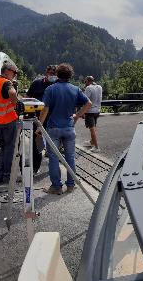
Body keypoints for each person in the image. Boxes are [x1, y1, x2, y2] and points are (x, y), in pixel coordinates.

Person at [39, 63, 91, 194]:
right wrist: (77, 115)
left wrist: (39, 126)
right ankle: (71, 185)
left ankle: (56, 187)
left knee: (54, 158)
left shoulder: (50, 89)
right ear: (70, 75)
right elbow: (88, 104)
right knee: (70, 157)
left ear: (57, 74)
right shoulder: (75, 89)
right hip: (69, 128)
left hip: (53, 128)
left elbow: (45, 109)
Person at [26, 65, 57, 173]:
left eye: (54, 73)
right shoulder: (36, 83)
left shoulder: (57, 85)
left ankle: (53, 168)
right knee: (36, 144)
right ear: (46, 72)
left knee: (53, 144)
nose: (52, 75)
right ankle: (35, 167)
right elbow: (27, 97)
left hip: (52, 120)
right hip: (36, 119)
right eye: (51, 72)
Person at [0, 62, 19, 183]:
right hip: (8, 120)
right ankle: (6, 175)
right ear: (7, 71)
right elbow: (12, 93)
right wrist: (15, 103)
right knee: (9, 148)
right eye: (14, 72)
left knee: (2, 148)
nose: (15, 75)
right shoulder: (6, 83)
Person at [83, 76, 102, 152]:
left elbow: (85, 100)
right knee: (93, 127)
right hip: (97, 110)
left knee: (92, 129)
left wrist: (83, 112)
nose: (85, 83)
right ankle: (91, 142)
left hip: (90, 111)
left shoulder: (88, 88)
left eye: (85, 82)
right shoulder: (99, 87)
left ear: (88, 81)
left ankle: (96, 147)